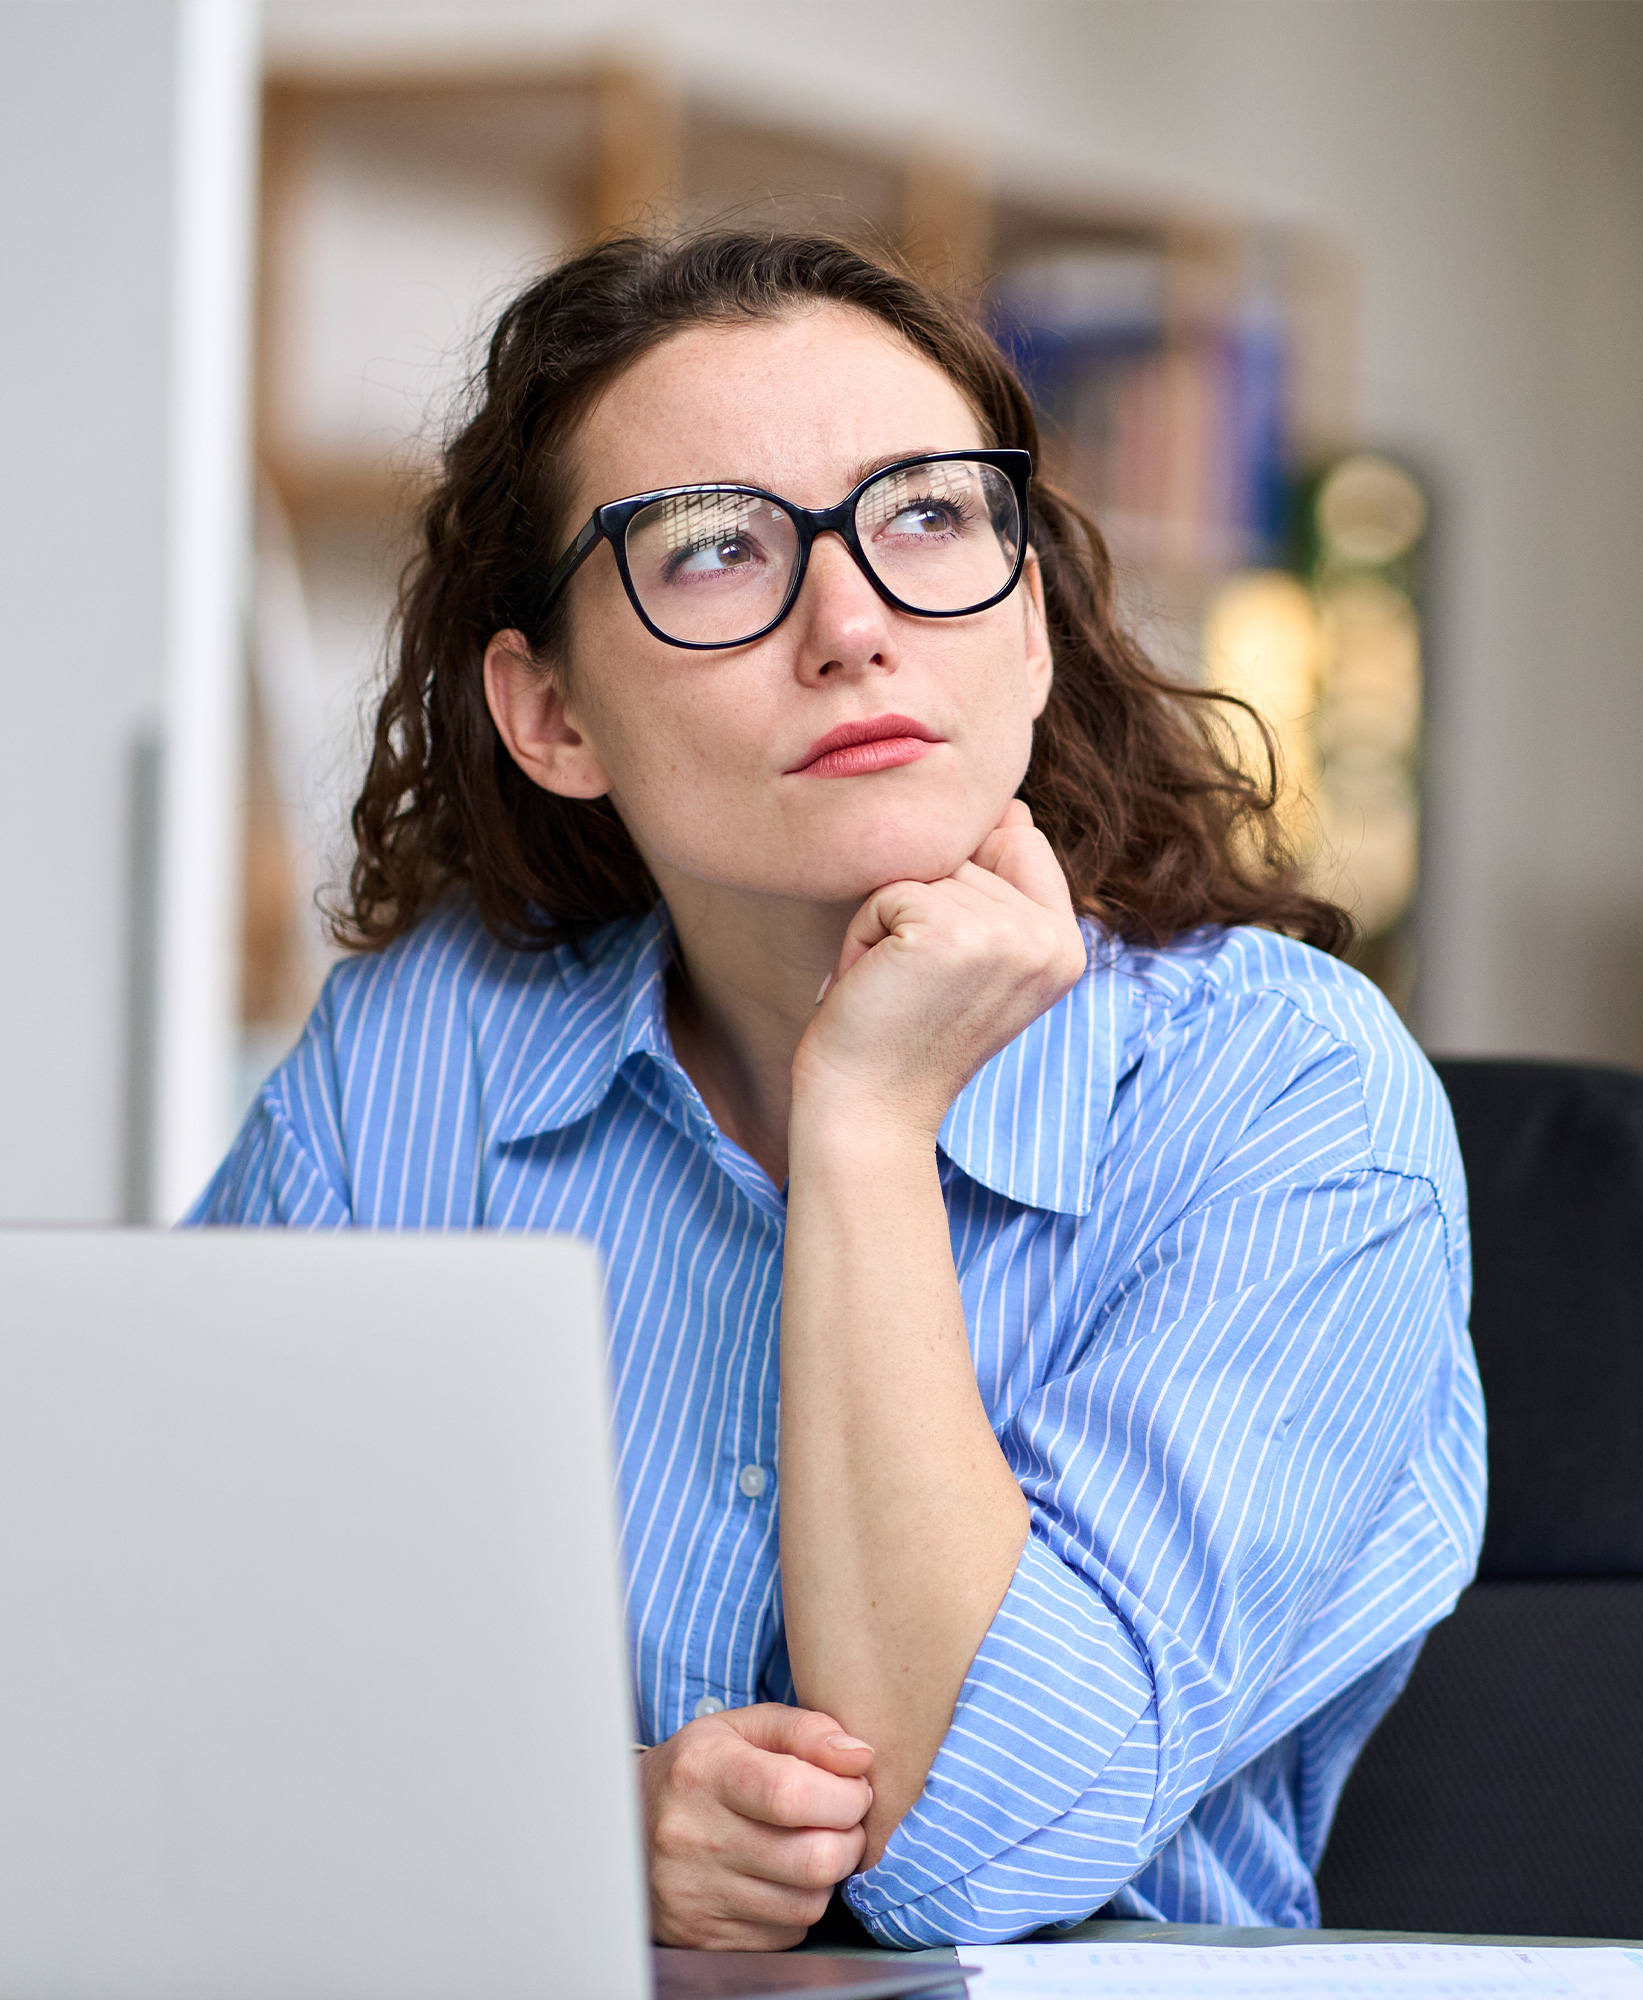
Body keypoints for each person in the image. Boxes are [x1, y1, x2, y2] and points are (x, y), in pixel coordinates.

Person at [190, 229, 1485, 1951]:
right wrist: (575, 1819)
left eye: (931, 516)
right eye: (714, 550)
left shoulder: (1292, 1096)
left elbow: (970, 1848)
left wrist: (865, 1124)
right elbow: (158, 1679)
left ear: (1027, 622)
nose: (853, 624)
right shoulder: (417, 1063)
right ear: (552, 712)